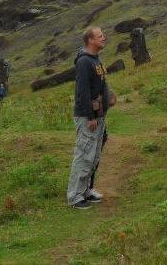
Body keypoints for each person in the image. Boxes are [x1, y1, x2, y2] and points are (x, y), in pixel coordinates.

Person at [67, 26, 116, 210]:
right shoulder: (84, 62)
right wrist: (90, 116)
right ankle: (74, 196)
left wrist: (108, 97)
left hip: (99, 115)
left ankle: (86, 190)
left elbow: (99, 84)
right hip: (89, 116)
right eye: (100, 36)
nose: (104, 37)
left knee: (93, 155)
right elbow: (82, 92)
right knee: (84, 154)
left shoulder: (96, 59)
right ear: (90, 40)